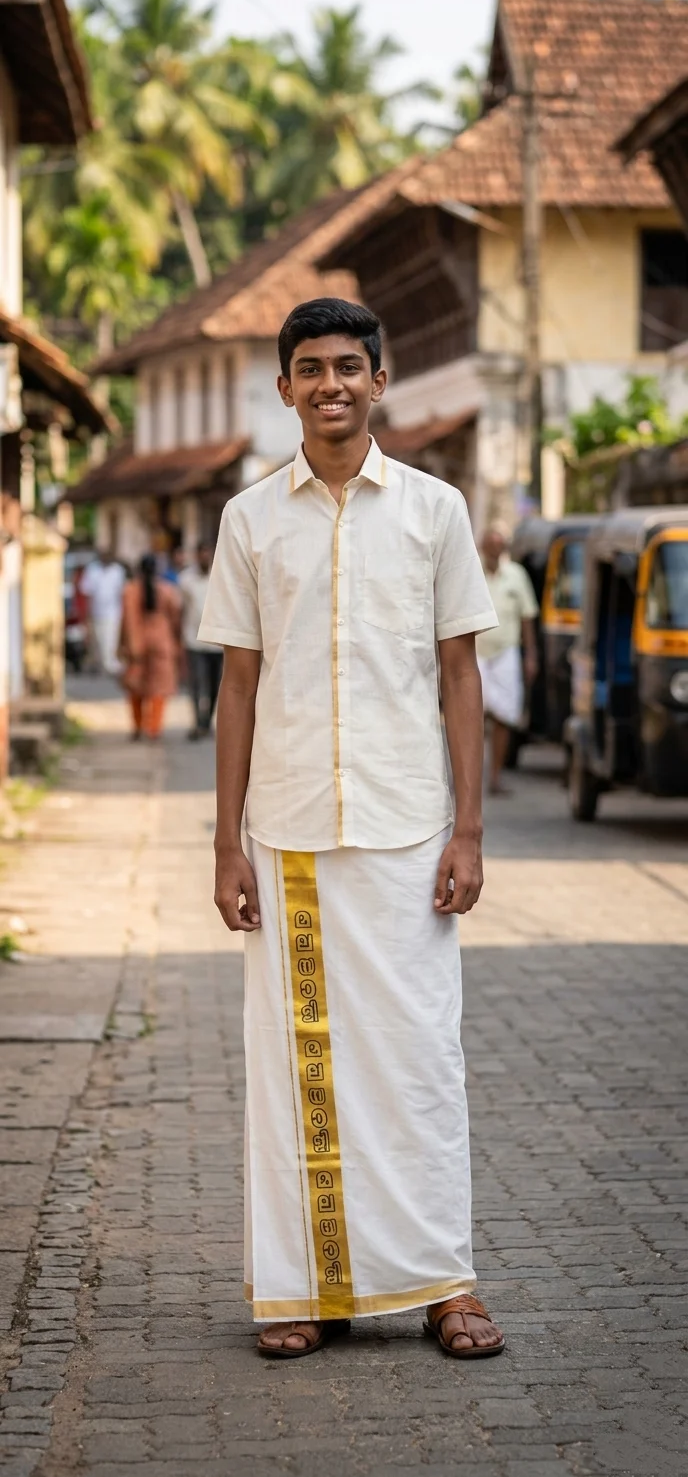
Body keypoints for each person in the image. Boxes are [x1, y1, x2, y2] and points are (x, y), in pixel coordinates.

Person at [200, 296, 506, 1362]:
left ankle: (445, 1283)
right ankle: (299, 1284)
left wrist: (468, 830)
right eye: (309, 367)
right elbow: (236, 686)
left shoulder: (435, 511)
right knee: (294, 1066)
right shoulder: (249, 520)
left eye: (348, 365)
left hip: (407, 830)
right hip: (284, 832)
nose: (330, 383)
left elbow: (460, 674)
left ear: (380, 379)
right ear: (283, 386)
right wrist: (223, 839)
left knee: (420, 1055)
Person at [476, 528, 539, 796]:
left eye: (498, 546)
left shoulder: (516, 575)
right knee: (470, 717)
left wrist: (531, 655)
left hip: (506, 651)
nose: (494, 551)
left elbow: (527, 617)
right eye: (490, 546)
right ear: (481, 547)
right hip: (474, 652)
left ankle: (495, 777)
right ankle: (468, 781)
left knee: (503, 716)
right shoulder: (470, 571)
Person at [118, 554, 182, 740]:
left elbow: (125, 621)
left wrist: (122, 644)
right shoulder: (167, 590)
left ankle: (138, 726)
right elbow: (175, 618)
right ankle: (154, 727)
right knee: (159, 687)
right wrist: (177, 643)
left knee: (136, 686)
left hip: (136, 642)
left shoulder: (130, 590)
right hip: (161, 642)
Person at [179, 543, 223, 739]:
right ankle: (198, 722)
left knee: (215, 685)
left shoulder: (221, 576)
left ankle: (207, 720)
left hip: (217, 643)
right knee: (197, 683)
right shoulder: (186, 579)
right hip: (193, 639)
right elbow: (180, 609)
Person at [80, 548, 126, 675]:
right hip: (96, 612)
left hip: (113, 613)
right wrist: (86, 615)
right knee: (97, 642)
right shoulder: (92, 570)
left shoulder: (117, 571)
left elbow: (122, 593)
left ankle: (109, 665)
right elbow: (87, 593)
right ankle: (100, 666)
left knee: (110, 640)